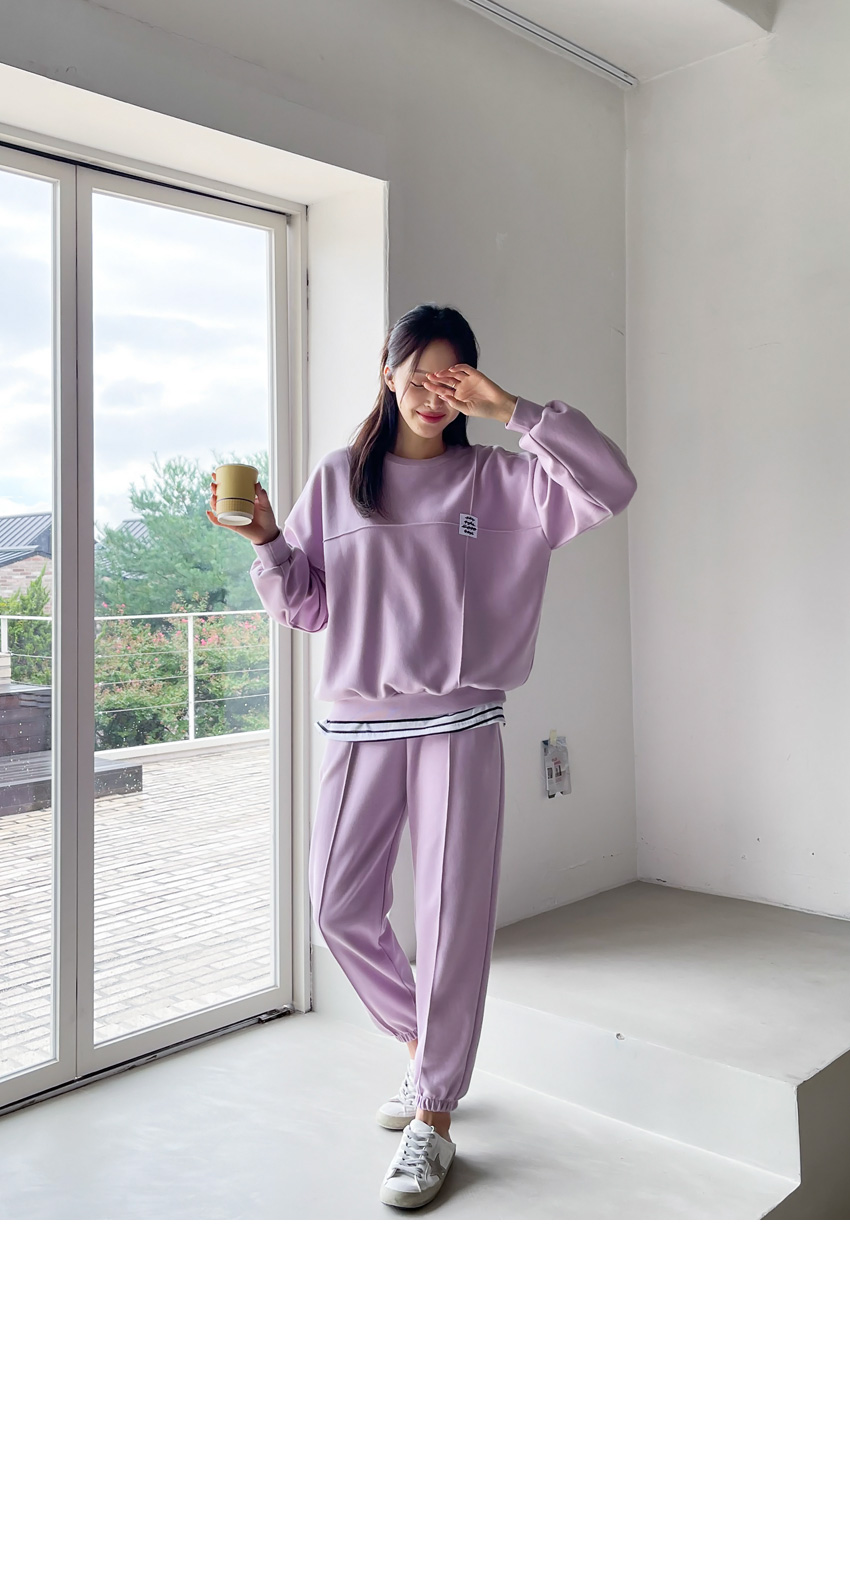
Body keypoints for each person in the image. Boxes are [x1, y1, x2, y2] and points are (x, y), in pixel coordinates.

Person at [207, 302, 637, 1212]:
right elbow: (309, 606)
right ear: (387, 373)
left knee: (449, 921)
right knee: (337, 906)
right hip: (357, 725)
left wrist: (513, 409)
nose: (433, 394)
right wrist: (268, 541)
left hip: (461, 722)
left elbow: (611, 484)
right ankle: (424, 1051)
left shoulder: (504, 481)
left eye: (453, 379)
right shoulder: (338, 480)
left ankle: (434, 1115)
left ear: (471, 383)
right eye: (418, 375)